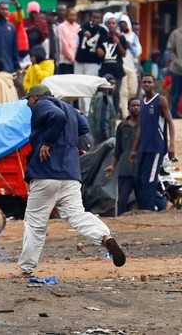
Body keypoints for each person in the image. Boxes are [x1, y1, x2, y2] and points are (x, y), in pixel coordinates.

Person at [19, 84, 126, 275]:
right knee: (77, 215)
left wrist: (49, 142)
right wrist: (64, 140)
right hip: (70, 174)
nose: (28, 104)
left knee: (35, 223)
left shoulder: (42, 105)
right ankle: (105, 237)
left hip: (45, 172)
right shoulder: (68, 107)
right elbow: (84, 126)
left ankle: (27, 268)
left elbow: (56, 117)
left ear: (35, 97)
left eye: (28, 99)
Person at [129, 75, 175, 211]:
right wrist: (134, 149)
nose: (147, 84)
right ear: (141, 85)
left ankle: (149, 210)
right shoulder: (142, 102)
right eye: (144, 82)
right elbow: (141, 128)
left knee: (149, 180)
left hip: (156, 147)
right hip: (144, 147)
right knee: (138, 181)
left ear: (154, 84)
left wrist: (172, 144)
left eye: (149, 82)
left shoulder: (160, 100)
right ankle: (162, 204)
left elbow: (171, 123)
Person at [104, 98, 141, 216]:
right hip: (125, 169)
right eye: (133, 105)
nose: (136, 108)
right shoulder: (122, 126)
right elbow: (118, 149)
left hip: (141, 168)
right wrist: (112, 165)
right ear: (128, 108)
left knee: (143, 198)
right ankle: (120, 220)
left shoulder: (145, 124)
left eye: (138, 105)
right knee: (122, 199)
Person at [76, 12, 107, 114]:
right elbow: (78, 31)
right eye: (94, 17)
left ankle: (88, 111)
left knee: (89, 86)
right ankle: (81, 110)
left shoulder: (102, 31)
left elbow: (103, 48)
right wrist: (84, 32)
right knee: (79, 85)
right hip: (80, 60)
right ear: (91, 18)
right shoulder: (84, 26)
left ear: (101, 19)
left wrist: (100, 51)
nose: (96, 20)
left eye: (98, 18)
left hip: (93, 62)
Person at [97, 14, 128, 115]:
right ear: (106, 25)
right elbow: (98, 52)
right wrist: (99, 52)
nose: (111, 25)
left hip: (117, 70)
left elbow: (123, 54)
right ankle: (104, 112)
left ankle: (114, 114)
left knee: (116, 93)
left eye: (113, 23)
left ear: (116, 25)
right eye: (109, 23)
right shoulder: (102, 38)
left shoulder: (121, 38)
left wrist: (118, 43)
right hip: (105, 69)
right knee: (103, 92)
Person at [118, 14, 142, 118]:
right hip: (121, 66)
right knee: (123, 91)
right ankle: (125, 114)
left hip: (131, 66)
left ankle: (129, 108)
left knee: (133, 90)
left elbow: (138, 52)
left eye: (124, 24)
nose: (122, 26)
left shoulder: (133, 37)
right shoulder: (118, 36)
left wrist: (129, 46)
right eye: (121, 24)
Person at [88, 77, 117, 145]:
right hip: (102, 140)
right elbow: (102, 120)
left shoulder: (97, 98)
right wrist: (106, 139)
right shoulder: (103, 99)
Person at [165, 24, 182, 118]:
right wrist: (177, 61)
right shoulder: (176, 34)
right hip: (177, 69)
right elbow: (170, 50)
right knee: (175, 93)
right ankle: (174, 114)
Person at [56, 8, 80, 75]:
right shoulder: (61, 27)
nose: (73, 17)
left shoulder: (78, 27)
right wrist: (72, 57)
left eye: (74, 15)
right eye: (71, 15)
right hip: (65, 60)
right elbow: (63, 43)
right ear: (66, 16)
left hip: (77, 60)